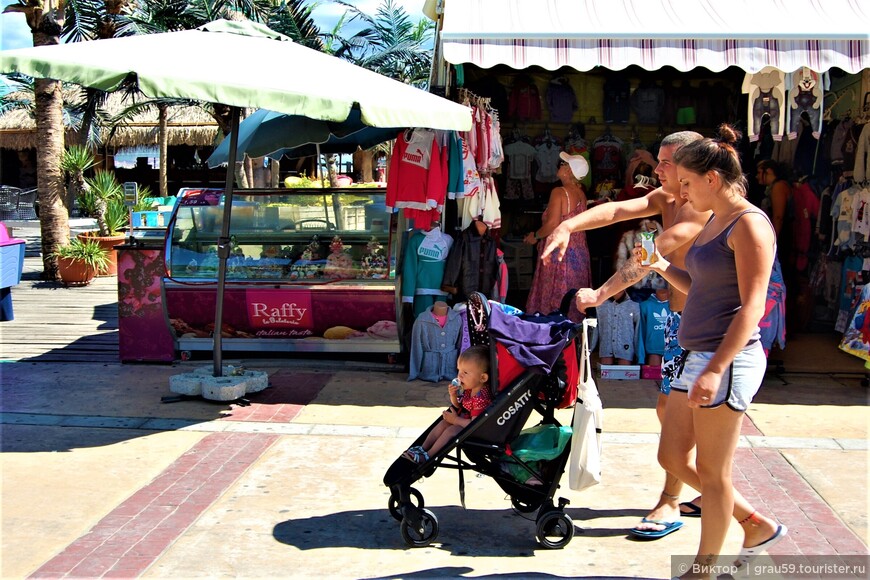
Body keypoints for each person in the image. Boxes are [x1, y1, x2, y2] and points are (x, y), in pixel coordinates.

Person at [541, 131, 709, 538]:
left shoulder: (698, 211)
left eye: (666, 162)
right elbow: (615, 211)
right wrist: (568, 226)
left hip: (703, 329)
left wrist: (598, 294)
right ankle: (709, 489)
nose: (658, 168)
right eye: (659, 160)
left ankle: (678, 501)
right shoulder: (666, 198)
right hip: (678, 325)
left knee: (677, 418)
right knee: (673, 414)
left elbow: (648, 257)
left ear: (690, 169)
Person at [641, 124, 788, 574]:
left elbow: (753, 306)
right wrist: (662, 266)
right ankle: (754, 523)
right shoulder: (715, 222)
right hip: (697, 355)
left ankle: (704, 568)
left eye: (685, 182)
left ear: (712, 179)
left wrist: (714, 368)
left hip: (727, 358)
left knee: (713, 472)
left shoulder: (748, 224)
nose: (681, 192)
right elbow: (701, 287)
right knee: (672, 456)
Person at [523, 152, 591, 321]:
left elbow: (552, 224)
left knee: (555, 299)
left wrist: (536, 236)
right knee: (573, 296)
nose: (559, 166)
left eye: (563, 164)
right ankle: (572, 336)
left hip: (560, 253)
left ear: (569, 171)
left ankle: (552, 335)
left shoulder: (559, 192)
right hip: (579, 253)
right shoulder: (581, 194)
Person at [402, 345, 492, 464]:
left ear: (483, 378)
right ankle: (423, 448)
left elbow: (475, 424)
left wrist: (455, 420)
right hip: (465, 422)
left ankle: (429, 456)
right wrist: (453, 396)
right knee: (445, 423)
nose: (459, 376)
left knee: (452, 430)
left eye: (465, 372)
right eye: (459, 370)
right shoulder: (470, 388)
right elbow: (460, 406)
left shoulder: (481, 398)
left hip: (476, 431)